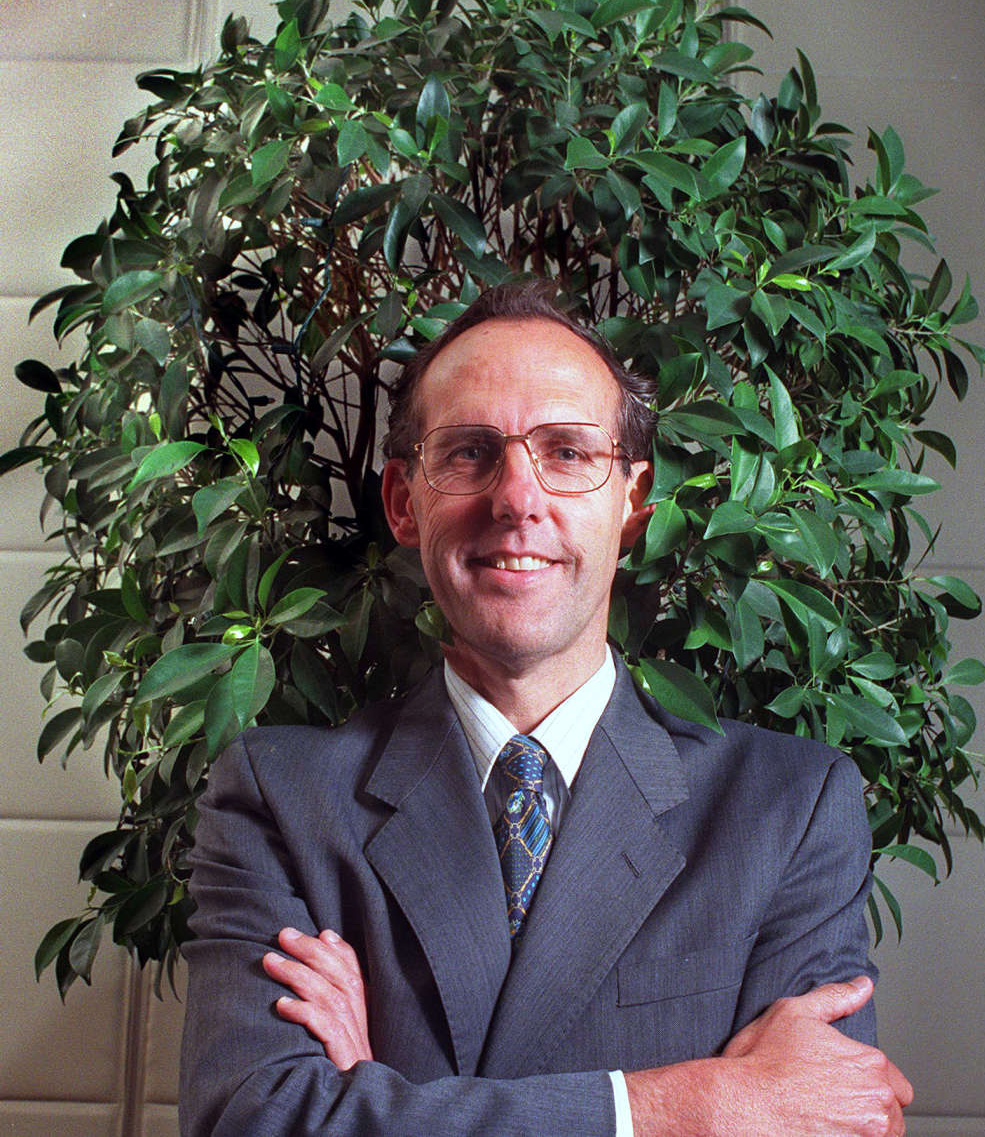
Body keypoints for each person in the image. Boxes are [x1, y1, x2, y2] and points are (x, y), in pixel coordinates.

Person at [179, 281, 913, 1136]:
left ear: (633, 500)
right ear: (404, 502)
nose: (517, 499)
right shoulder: (280, 798)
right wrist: (683, 1104)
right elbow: (254, 1124)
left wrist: (374, 1098)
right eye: (468, 452)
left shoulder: (790, 808)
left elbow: (825, 1124)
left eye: (567, 452)